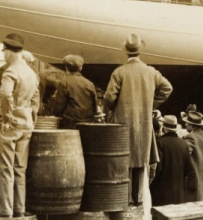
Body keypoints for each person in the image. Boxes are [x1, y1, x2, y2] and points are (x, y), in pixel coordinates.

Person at [104, 33, 173, 207]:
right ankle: (140, 200)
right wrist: (150, 105)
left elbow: (109, 98)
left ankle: (124, 201)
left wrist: (114, 110)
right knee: (142, 164)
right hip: (144, 125)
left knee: (123, 162)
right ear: (140, 51)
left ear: (126, 51)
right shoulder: (150, 72)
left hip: (122, 125)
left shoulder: (119, 72)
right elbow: (167, 88)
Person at [0, 33, 40, 219]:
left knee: (4, 167)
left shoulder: (10, 72)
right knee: (19, 168)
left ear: (9, 52)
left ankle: (4, 209)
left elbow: (5, 95)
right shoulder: (31, 73)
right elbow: (35, 98)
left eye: (4, 52)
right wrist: (31, 118)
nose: (4, 56)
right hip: (26, 124)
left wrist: (7, 119)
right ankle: (19, 207)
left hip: (9, 126)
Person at [150, 115, 192, 206]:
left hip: (161, 192)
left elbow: (157, 168)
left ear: (164, 128)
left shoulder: (160, 143)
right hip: (178, 192)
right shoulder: (184, 144)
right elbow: (188, 168)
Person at [50, 54, 98, 129]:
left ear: (66, 68)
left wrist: (54, 114)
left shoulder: (64, 82)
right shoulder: (89, 83)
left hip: (70, 123)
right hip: (87, 122)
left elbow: (59, 106)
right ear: (80, 68)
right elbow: (95, 106)